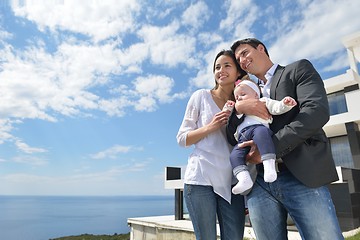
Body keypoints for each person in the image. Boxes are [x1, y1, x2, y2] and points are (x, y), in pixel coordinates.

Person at [226, 38, 344, 240]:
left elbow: (316, 112)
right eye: (238, 59)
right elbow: (231, 136)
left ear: (261, 48)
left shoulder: (297, 69)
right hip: (260, 183)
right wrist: (238, 109)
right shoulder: (245, 92)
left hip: (301, 176)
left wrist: (267, 151)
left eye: (245, 53)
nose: (242, 60)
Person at [176, 49, 247, 240]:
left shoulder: (242, 102)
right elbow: (182, 138)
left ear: (238, 72)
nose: (221, 70)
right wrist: (211, 127)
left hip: (232, 182)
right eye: (217, 67)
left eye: (227, 65)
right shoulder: (201, 96)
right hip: (200, 180)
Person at [225, 79, 296, 195]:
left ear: (256, 95)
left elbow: (276, 107)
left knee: (262, 136)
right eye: (237, 97)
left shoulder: (263, 101)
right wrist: (231, 108)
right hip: (242, 136)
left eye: (243, 94)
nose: (239, 98)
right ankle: (244, 178)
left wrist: (285, 104)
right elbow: (230, 120)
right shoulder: (239, 109)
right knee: (234, 155)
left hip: (258, 128)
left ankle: (269, 167)